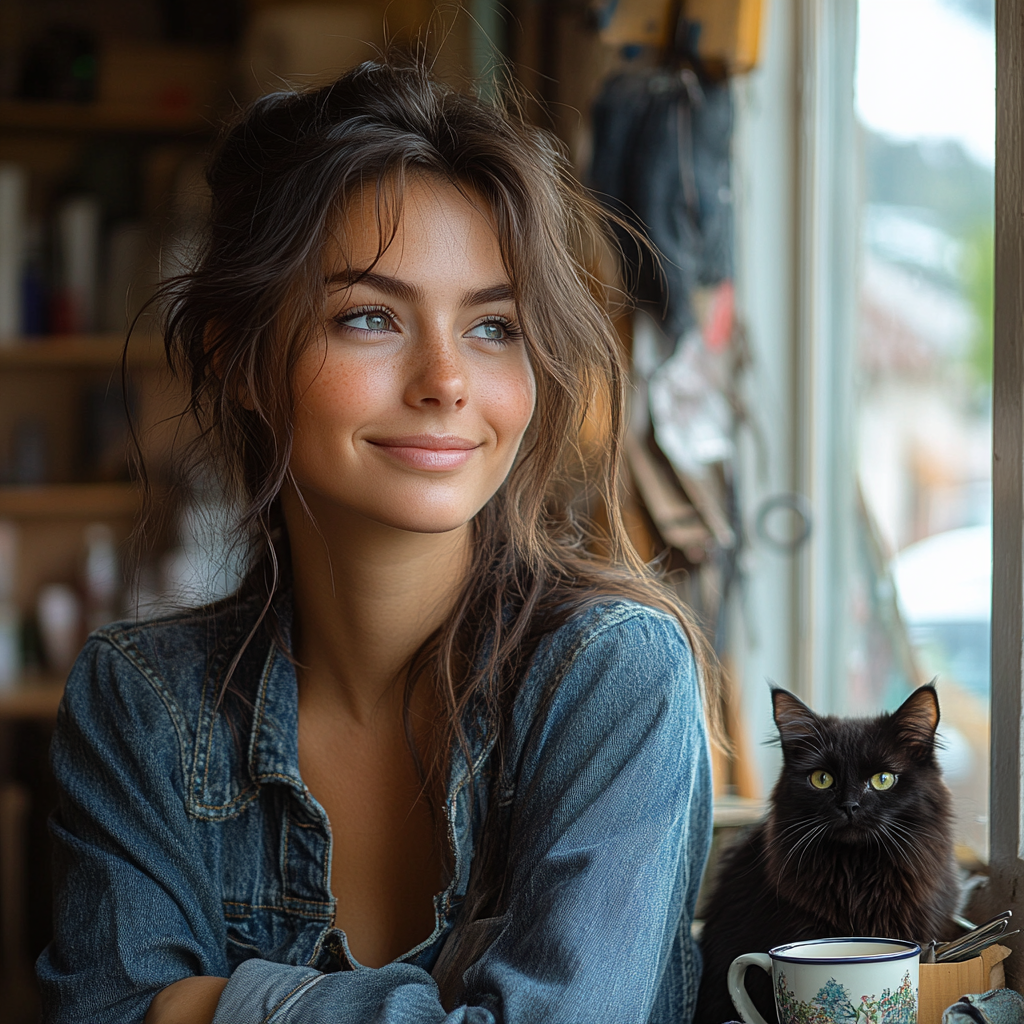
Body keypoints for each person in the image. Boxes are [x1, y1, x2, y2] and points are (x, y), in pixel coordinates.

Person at [36, 57, 718, 1024]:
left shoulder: (612, 675)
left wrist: (214, 1007)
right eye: (369, 317)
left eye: (493, 326)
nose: (445, 379)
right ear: (237, 359)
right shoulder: (140, 707)